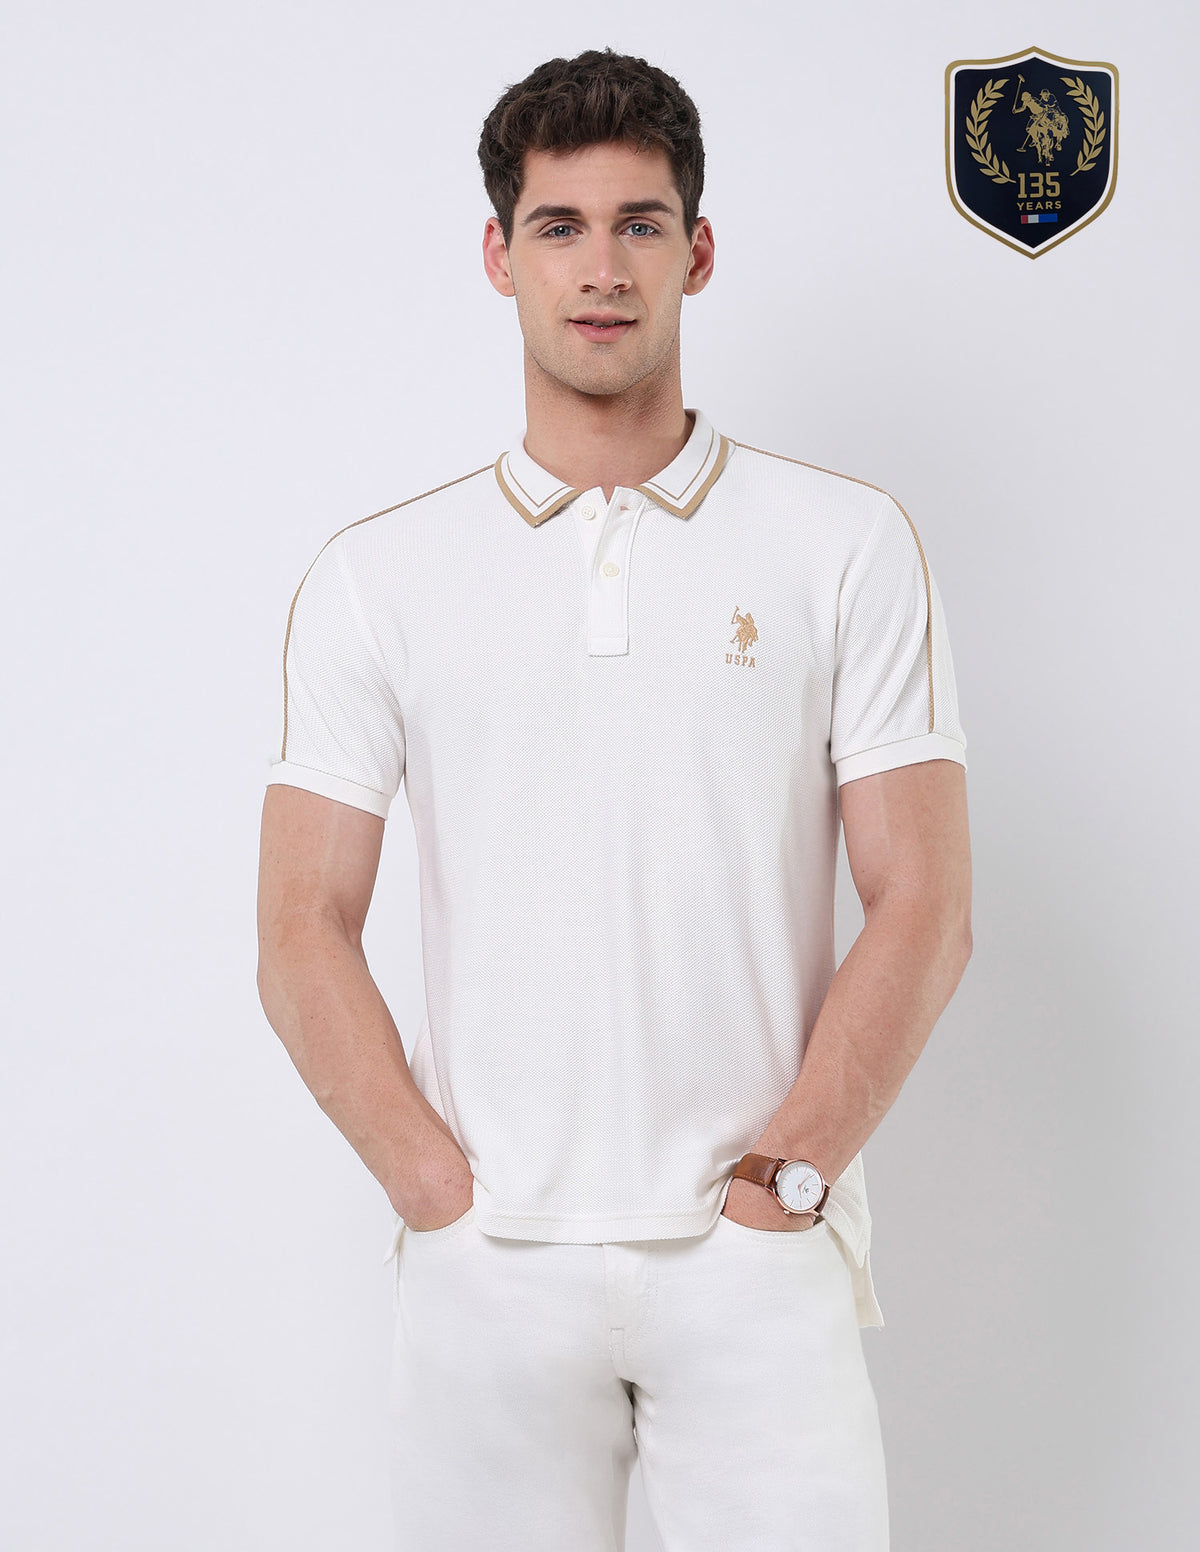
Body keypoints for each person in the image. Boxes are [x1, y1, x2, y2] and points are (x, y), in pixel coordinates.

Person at [256, 46, 972, 1552]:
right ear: (499, 256)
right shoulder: (379, 579)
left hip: (756, 1263)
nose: (602, 268)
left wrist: (788, 1180)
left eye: (641, 225)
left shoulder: (842, 544)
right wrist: (435, 1192)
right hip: (492, 1273)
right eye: (561, 226)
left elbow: (925, 900)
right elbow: (301, 923)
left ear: (698, 252)